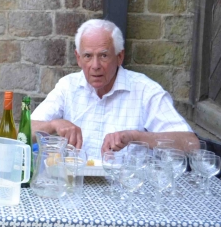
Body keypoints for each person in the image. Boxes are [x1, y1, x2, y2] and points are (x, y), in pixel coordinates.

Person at [31, 19, 198, 157]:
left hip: (127, 185)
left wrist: (136, 136)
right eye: (88, 56)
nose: (95, 65)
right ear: (78, 58)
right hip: (75, 182)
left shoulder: (145, 90)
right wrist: (53, 125)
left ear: (120, 57)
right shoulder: (67, 86)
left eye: (103, 55)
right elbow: (25, 132)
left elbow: (191, 144)